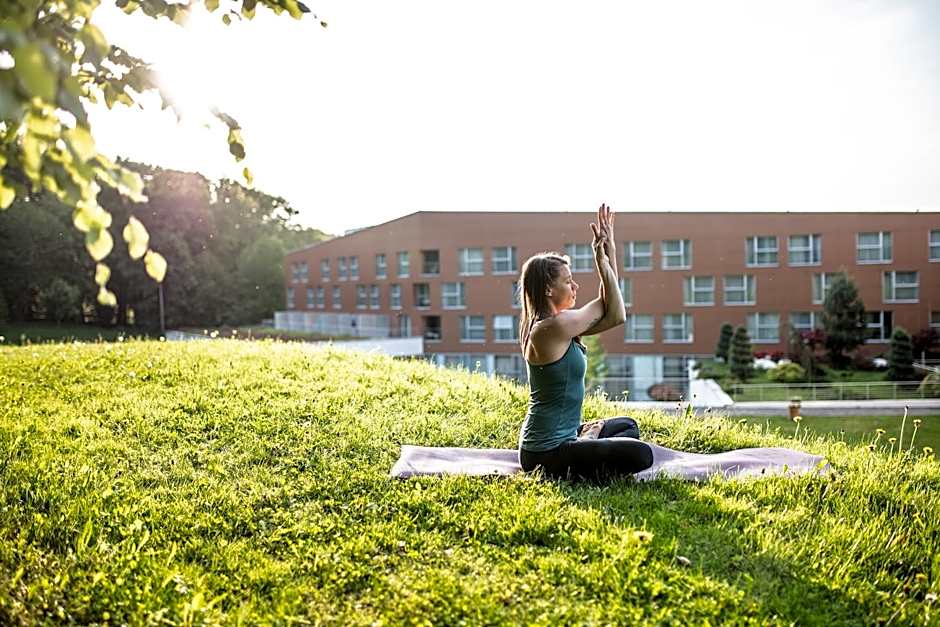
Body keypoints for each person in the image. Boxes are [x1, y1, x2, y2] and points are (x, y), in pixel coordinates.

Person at [517, 204, 654, 481]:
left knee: (627, 426)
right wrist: (602, 263)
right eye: (569, 282)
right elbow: (615, 313)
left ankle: (584, 439)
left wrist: (609, 250)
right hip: (545, 453)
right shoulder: (555, 327)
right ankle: (583, 443)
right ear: (548, 289)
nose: (575, 287)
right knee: (641, 454)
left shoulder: (558, 325)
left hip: (560, 439)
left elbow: (611, 305)